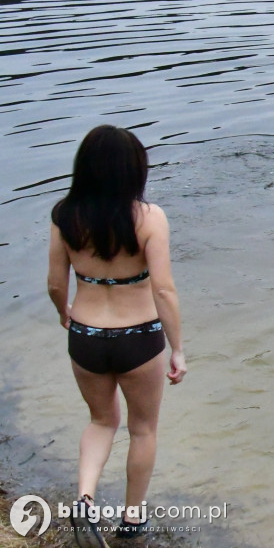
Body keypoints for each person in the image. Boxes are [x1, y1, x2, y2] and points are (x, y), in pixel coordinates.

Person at [47, 125, 186, 545]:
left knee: (101, 420)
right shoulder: (149, 217)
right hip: (139, 337)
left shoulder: (64, 216)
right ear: (133, 170)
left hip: (86, 333)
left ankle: (85, 499)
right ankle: (132, 519)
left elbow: (55, 283)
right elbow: (163, 289)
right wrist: (178, 348)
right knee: (142, 429)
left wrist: (64, 314)